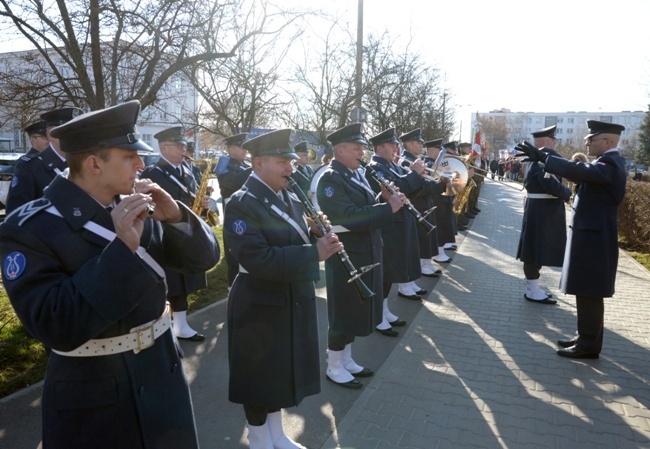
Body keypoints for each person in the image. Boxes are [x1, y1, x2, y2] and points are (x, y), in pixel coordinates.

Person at [0, 100, 220, 449]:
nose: (141, 164)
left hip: (163, 374)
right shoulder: (30, 227)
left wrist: (176, 216)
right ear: (93, 164)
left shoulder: (136, 204)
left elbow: (204, 260)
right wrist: (122, 252)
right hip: (94, 395)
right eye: (129, 157)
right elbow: (54, 324)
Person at [224, 128, 342, 449]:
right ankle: (259, 437)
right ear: (258, 163)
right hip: (258, 301)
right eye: (282, 162)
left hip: (288, 297)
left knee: (278, 372)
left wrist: (312, 229)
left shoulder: (287, 195)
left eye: (290, 161)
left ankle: (276, 434)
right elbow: (258, 258)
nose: (291, 167)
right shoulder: (241, 203)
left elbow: (289, 235)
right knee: (258, 376)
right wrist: (313, 252)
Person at [516, 120, 627, 359]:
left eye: (591, 139)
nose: (586, 143)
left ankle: (588, 345)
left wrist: (545, 159)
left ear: (607, 142)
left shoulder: (610, 163)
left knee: (590, 292)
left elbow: (580, 171)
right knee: (585, 291)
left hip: (595, 240)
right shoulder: (605, 163)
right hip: (591, 238)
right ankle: (585, 336)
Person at [316, 123, 405, 388]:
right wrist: (387, 208)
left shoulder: (355, 174)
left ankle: (347, 359)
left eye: (362, 148)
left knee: (356, 309)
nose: (361, 153)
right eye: (356, 148)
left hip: (365, 249)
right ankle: (334, 365)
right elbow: (349, 216)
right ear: (340, 150)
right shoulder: (331, 178)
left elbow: (364, 205)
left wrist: (382, 196)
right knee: (343, 311)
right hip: (347, 252)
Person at [140, 126, 209, 341]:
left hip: (185, 229)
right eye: (179, 146)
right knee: (172, 280)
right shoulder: (152, 173)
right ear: (165, 148)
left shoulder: (188, 169)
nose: (184, 149)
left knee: (185, 278)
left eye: (184, 146)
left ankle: (180, 324)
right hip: (165, 232)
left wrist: (204, 206)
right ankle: (171, 325)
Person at [366, 127, 424, 338]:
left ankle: (384, 310)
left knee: (391, 271)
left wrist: (416, 177)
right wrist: (414, 174)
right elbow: (397, 186)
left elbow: (407, 187)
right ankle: (378, 315)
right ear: (379, 147)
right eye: (391, 145)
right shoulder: (375, 167)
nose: (395, 148)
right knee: (385, 271)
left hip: (399, 222)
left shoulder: (390, 165)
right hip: (388, 226)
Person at [516, 125, 571, 304]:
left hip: (538, 208)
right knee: (535, 251)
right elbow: (548, 182)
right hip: (543, 210)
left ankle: (532, 288)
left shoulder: (535, 156)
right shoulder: (544, 155)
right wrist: (566, 193)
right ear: (546, 142)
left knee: (534, 249)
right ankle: (532, 290)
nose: (555, 143)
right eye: (553, 139)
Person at [5, 107, 84, 213]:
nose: (74, 137)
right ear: (50, 135)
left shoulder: (86, 163)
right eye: (67, 132)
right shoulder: (30, 167)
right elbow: (16, 215)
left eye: (77, 132)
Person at [398, 129, 442, 280]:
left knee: (425, 238)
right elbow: (410, 185)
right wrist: (427, 184)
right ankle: (421, 268)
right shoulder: (405, 160)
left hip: (424, 201)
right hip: (417, 202)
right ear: (409, 144)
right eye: (418, 143)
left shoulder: (416, 159)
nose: (421, 145)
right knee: (420, 240)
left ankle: (425, 265)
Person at [216, 132, 252, 286]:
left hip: (249, 212)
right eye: (241, 147)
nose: (245, 150)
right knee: (234, 254)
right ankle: (232, 290)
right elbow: (231, 183)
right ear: (231, 149)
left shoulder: (246, 165)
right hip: (234, 214)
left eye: (245, 147)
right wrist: (253, 169)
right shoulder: (224, 163)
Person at [424, 140, 456, 261]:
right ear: (432, 151)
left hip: (443, 198)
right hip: (437, 200)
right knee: (440, 227)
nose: (441, 154)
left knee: (444, 226)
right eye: (439, 151)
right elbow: (432, 183)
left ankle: (440, 251)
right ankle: (438, 253)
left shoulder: (438, 164)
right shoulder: (428, 163)